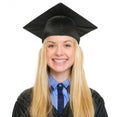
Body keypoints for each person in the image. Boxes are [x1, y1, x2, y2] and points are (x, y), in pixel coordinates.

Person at [12, 3, 108, 117]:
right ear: (44, 52)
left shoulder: (93, 101)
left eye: (67, 45)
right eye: (51, 45)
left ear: (76, 51)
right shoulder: (26, 101)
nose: (59, 52)